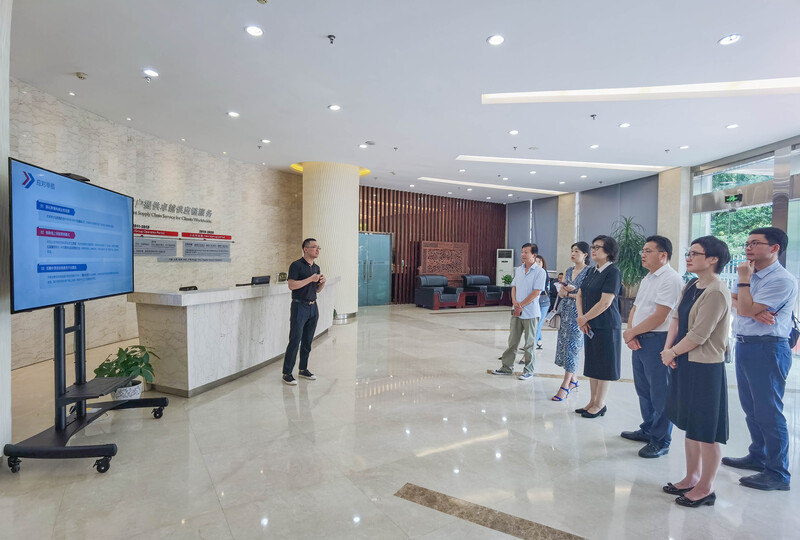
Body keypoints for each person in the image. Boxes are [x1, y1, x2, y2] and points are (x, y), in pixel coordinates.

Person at [723, 227, 798, 491]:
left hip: (768, 348)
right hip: (745, 345)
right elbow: (733, 299)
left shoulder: (782, 279)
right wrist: (752, 309)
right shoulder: (750, 273)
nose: (748, 248)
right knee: (751, 408)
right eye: (747, 243)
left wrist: (745, 294)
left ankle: (778, 473)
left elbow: (742, 304)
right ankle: (758, 455)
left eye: (755, 243)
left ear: (774, 248)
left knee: (769, 411)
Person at [660, 236, 731, 508]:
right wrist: (668, 349)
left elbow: (700, 335)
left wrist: (673, 352)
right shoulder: (691, 284)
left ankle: (705, 487)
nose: (688, 258)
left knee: (706, 428)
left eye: (695, 254)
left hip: (705, 366)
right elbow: (677, 318)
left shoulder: (716, 291)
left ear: (713, 259)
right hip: (684, 359)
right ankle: (691, 477)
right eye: (688, 253)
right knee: (690, 423)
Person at [620, 235, 684, 458]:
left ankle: (661, 439)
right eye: (643, 251)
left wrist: (632, 332)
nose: (643, 255)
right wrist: (631, 332)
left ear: (663, 255)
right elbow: (635, 308)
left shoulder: (671, 279)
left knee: (660, 392)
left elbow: (660, 316)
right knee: (644, 389)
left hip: (659, 339)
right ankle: (648, 429)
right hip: (640, 338)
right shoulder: (648, 278)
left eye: (648, 251)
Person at [575, 235, 622, 418]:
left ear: (609, 251)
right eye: (592, 247)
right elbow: (580, 294)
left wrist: (585, 318)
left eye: (597, 247)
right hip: (590, 324)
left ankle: (600, 404)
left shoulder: (613, 272)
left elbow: (605, 302)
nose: (593, 250)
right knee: (593, 364)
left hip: (606, 325)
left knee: (604, 366)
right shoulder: (592, 271)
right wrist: (582, 318)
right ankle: (592, 401)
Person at [491, 243, 546, 381]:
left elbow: (536, 292)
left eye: (526, 252)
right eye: (522, 252)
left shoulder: (540, 272)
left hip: (531, 313)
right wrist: (515, 302)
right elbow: (514, 287)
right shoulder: (519, 270)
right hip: (516, 311)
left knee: (529, 343)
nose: (522, 254)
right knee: (512, 341)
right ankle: (506, 368)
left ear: (534, 255)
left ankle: (528, 371)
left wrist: (521, 304)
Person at [282, 238, 326, 386]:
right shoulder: (296, 265)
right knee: (295, 340)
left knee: (307, 340)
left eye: (318, 247)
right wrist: (310, 279)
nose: (317, 250)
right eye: (314, 247)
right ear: (305, 249)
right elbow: (292, 285)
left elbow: (317, 290)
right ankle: (287, 373)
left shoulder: (316, 267)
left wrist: (322, 283)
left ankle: (303, 369)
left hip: (313, 307)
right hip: (299, 306)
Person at [552, 242, 591, 401]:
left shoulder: (589, 272)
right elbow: (560, 294)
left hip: (579, 313)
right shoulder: (568, 270)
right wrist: (564, 291)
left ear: (585, 255)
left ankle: (565, 385)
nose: (573, 254)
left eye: (577, 251)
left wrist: (570, 294)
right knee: (563, 346)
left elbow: (587, 295)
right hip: (565, 312)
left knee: (573, 348)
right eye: (572, 251)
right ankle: (573, 380)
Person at [534, 255, 551, 349]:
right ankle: (539, 341)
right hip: (536, 301)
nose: (537, 264)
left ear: (543, 263)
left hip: (543, 301)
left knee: (537, 324)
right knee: (536, 323)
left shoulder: (543, 273)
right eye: (535, 262)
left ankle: (531, 346)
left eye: (539, 262)